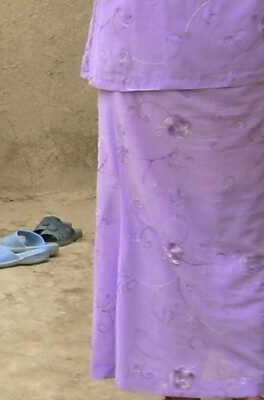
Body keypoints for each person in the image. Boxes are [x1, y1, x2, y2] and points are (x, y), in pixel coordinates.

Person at [85, 2, 264, 399]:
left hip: (151, 44)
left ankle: (203, 381)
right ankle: (231, 382)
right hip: (226, 42)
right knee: (228, 241)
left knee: (167, 244)